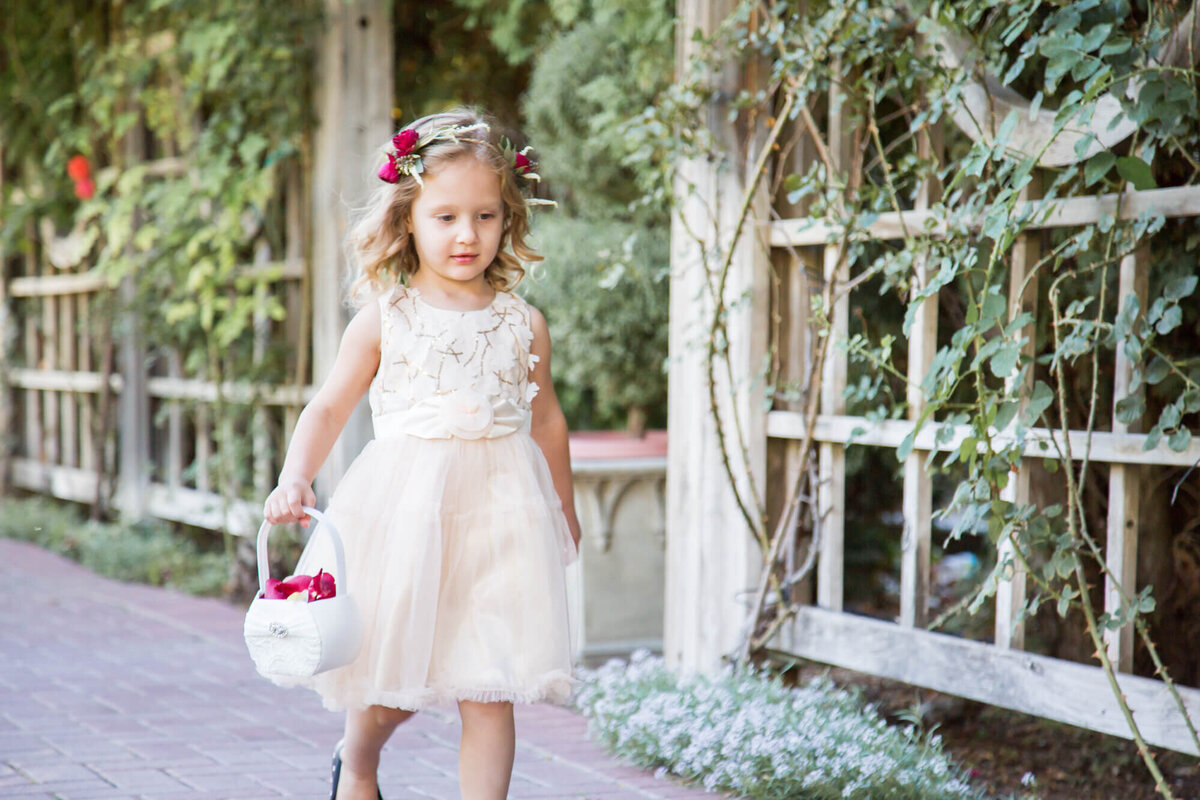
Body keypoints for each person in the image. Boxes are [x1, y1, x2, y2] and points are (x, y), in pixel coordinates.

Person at [261, 107, 582, 800]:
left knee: (490, 682)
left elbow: (548, 420)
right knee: (394, 675)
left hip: (502, 517)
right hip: (405, 515)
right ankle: (360, 761)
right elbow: (327, 408)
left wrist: (565, 508)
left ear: (509, 218)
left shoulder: (523, 322)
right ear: (409, 218)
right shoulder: (387, 317)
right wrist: (295, 478)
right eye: (446, 217)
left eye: (487, 216)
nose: (468, 234)